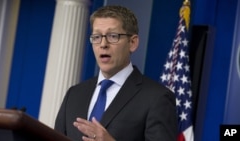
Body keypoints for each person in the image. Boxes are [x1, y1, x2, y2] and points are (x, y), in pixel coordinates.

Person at [54, 5, 177, 141]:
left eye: (113, 36)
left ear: (132, 43)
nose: (103, 44)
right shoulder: (74, 94)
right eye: (96, 37)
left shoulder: (157, 98)